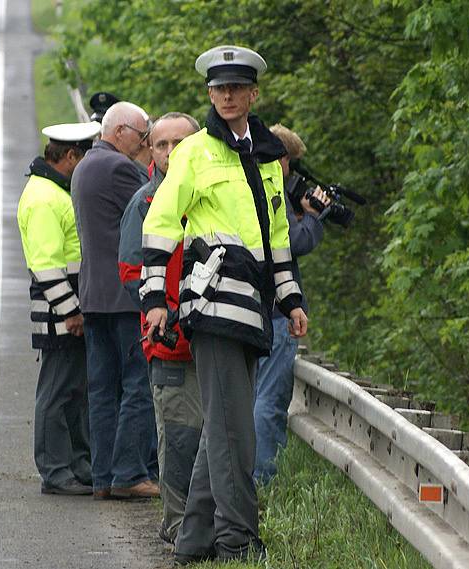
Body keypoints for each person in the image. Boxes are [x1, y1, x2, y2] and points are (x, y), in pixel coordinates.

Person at [140, 45, 308, 564]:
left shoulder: (266, 155)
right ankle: (237, 539)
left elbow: (277, 235)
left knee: (224, 425)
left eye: (237, 87)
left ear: (254, 93)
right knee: (234, 430)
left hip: (255, 311)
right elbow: (162, 223)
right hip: (212, 308)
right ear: (210, 94)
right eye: (219, 88)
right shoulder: (193, 152)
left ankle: (193, 543)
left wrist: (291, 299)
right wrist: (154, 300)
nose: (228, 96)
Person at [118, 112, 203, 544]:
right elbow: (132, 273)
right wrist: (167, 311)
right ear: (149, 150)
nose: (170, 154)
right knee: (178, 442)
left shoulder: (207, 197)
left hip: (212, 344)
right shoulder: (144, 203)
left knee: (208, 443)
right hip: (170, 347)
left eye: (180, 145)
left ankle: (204, 526)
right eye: (161, 145)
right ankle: (177, 528)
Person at [71, 102, 159, 500]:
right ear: (120, 132)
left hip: (93, 296)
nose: (144, 145)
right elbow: (154, 203)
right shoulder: (120, 168)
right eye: (142, 138)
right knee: (136, 385)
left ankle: (104, 477)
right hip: (124, 298)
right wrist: (147, 159)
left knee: (102, 390)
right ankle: (129, 472)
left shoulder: (86, 164)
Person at [16, 121, 100, 495]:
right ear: (70, 157)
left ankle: (78, 466)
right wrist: (71, 311)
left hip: (69, 310)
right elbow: (46, 265)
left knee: (74, 391)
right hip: (60, 314)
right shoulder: (44, 198)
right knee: (56, 392)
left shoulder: (53, 191)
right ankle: (55, 470)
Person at [253, 124, 330, 485]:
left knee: (248, 399)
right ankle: (263, 479)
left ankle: (243, 478)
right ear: (281, 159)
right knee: (269, 401)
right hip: (276, 311)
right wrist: (313, 218)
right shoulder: (271, 191)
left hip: (247, 308)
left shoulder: (244, 186)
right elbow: (293, 243)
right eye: (292, 164)